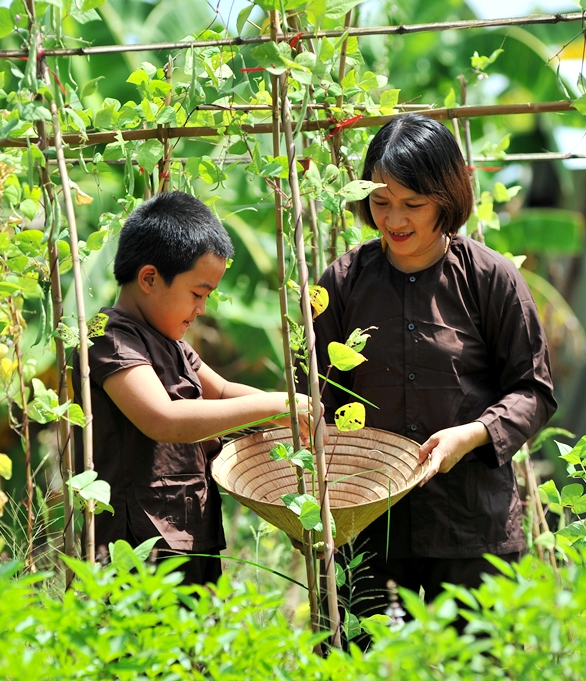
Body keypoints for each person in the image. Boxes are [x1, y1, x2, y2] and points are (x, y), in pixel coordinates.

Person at [308, 114, 556, 623]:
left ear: (446, 198)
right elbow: (313, 399)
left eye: (412, 204)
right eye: (381, 202)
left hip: (471, 525)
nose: (394, 219)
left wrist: (472, 434)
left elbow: (533, 389)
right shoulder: (341, 283)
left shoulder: (493, 280)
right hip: (367, 525)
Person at [75, 191, 311, 586]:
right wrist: (278, 403)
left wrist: (297, 411)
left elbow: (220, 393)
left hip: (191, 531)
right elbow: (163, 419)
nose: (202, 309)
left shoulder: (174, 344)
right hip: (138, 546)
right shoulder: (110, 338)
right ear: (149, 278)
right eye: (197, 294)